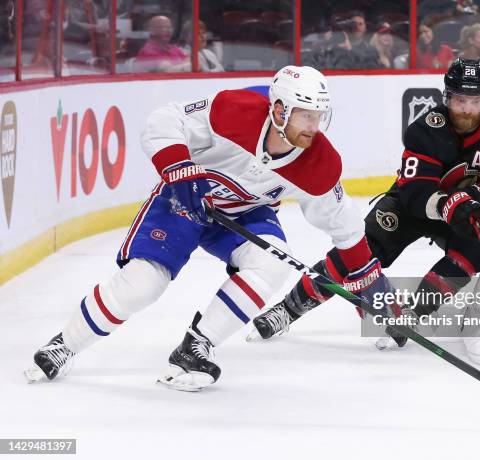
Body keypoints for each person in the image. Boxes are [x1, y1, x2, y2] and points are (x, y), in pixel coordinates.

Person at [25, 65, 396, 391]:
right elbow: (165, 120)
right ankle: (65, 344)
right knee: (144, 283)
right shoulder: (234, 109)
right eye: (305, 117)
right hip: (185, 200)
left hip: (244, 215)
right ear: (279, 110)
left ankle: (196, 346)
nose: (314, 127)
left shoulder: (319, 163)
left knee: (272, 262)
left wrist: (371, 286)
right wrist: (178, 168)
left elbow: (343, 225)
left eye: (319, 117)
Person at [249, 59, 480, 349]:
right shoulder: (426, 129)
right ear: (447, 98)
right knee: (356, 251)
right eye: (459, 100)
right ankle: (288, 309)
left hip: (463, 213)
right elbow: (416, 193)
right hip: (412, 208)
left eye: (475, 101)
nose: (467, 109)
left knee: (479, 245)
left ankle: (413, 313)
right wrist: (448, 204)